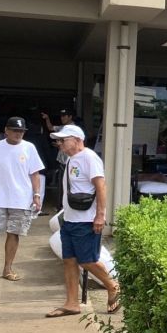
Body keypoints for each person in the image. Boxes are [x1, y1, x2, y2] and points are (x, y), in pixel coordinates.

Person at [45, 124, 120, 318]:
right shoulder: (71, 159)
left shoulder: (89, 158)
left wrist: (100, 215)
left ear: (77, 140)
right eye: (58, 140)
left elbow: (101, 187)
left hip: (86, 219)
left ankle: (112, 286)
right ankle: (71, 303)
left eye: (63, 140)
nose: (59, 143)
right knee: (69, 260)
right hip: (70, 219)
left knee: (87, 260)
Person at [0, 117, 44, 281]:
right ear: (6, 131)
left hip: (21, 198)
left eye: (21, 131)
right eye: (15, 130)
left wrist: (37, 195)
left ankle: (7, 268)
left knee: (14, 232)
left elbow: (35, 174)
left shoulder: (29, 148)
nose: (18, 134)